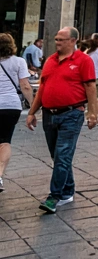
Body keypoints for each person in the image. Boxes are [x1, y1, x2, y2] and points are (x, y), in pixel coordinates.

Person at [26, 27, 97, 213]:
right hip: (49, 114)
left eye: (61, 39)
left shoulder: (83, 60)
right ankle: (67, 191)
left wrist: (93, 113)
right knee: (57, 156)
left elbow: (90, 87)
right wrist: (32, 112)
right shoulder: (50, 60)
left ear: (73, 41)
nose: (57, 42)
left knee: (63, 155)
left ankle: (54, 196)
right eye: (56, 39)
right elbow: (42, 88)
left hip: (72, 114)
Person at [0, 33, 36, 193]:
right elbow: (25, 86)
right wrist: (33, 108)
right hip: (10, 106)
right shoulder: (19, 62)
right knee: (5, 141)